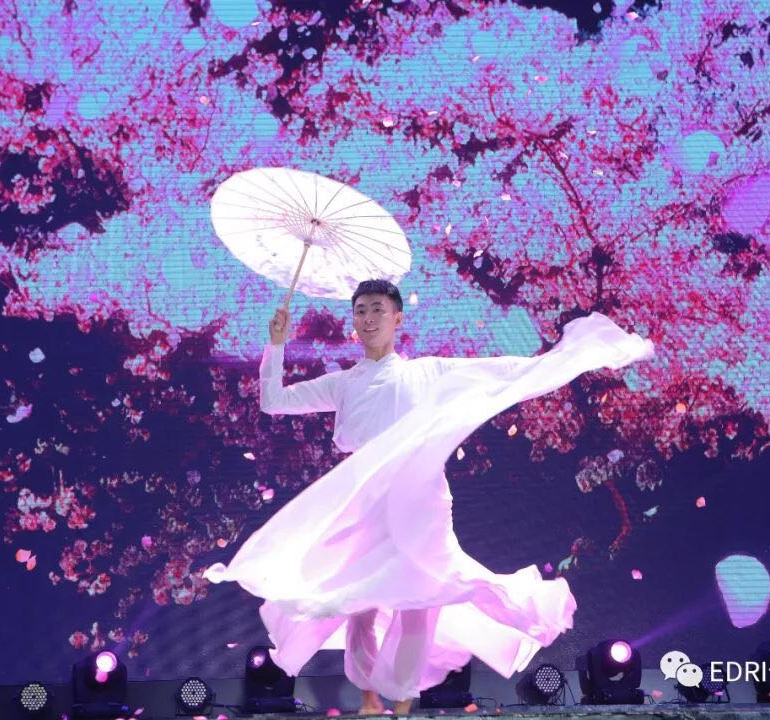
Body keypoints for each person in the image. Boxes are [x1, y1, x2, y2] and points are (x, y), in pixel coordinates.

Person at [205, 279, 654, 715]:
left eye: (377, 310)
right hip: (366, 499)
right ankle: (369, 700)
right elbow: (273, 400)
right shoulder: (343, 383)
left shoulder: (426, 372)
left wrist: (564, 359)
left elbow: (499, 372)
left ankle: (402, 701)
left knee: (419, 602)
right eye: (360, 311)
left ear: (397, 318)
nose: (368, 318)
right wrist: (276, 345)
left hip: (420, 498)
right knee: (358, 604)